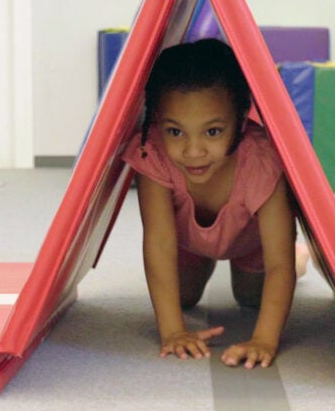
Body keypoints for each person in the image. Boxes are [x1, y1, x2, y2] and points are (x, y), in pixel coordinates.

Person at [122, 38, 309, 369]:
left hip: (253, 245)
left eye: (212, 131)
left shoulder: (261, 161)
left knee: (252, 298)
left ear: (240, 120)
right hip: (189, 243)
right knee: (183, 298)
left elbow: (277, 260)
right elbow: (160, 241)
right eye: (176, 132)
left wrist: (263, 339)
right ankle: (204, 259)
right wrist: (173, 332)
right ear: (156, 123)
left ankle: (302, 259)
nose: (194, 151)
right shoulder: (153, 151)